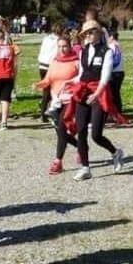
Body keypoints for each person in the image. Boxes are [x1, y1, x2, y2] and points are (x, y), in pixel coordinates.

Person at [72, 22, 125, 181]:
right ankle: (85, 167)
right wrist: (69, 83)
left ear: (98, 33)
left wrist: (96, 95)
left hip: (99, 93)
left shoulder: (106, 52)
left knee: (96, 135)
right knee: (81, 130)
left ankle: (115, 152)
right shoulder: (83, 51)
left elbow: (105, 77)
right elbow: (81, 74)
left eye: (90, 32)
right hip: (83, 92)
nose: (87, 35)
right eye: (85, 33)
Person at [34, 35, 81, 174]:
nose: (62, 49)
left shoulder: (76, 62)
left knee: (61, 128)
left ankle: (58, 162)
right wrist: (39, 84)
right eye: (59, 46)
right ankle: (81, 146)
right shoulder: (54, 61)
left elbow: (82, 80)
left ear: (70, 46)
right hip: (56, 100)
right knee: (60, 132)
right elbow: (48, 79)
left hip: (70, 100)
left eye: (65, 46)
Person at [37, 23, 64, 121]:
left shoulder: (46, 38)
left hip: (42, 65)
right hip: (51, 65)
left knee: (46, 90)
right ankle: (46, 112)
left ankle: (44, 111)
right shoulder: (58, 41)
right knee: (52, 90)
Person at [107, 32, 125, 119]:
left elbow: (115, 61)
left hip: (113, 72)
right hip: (120, 71)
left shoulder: (111, 46)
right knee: (116, 93)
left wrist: (108, 68)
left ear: (111, 37)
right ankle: (118, 111)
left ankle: (114, 113)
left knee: (112, 94)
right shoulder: (119, 45)